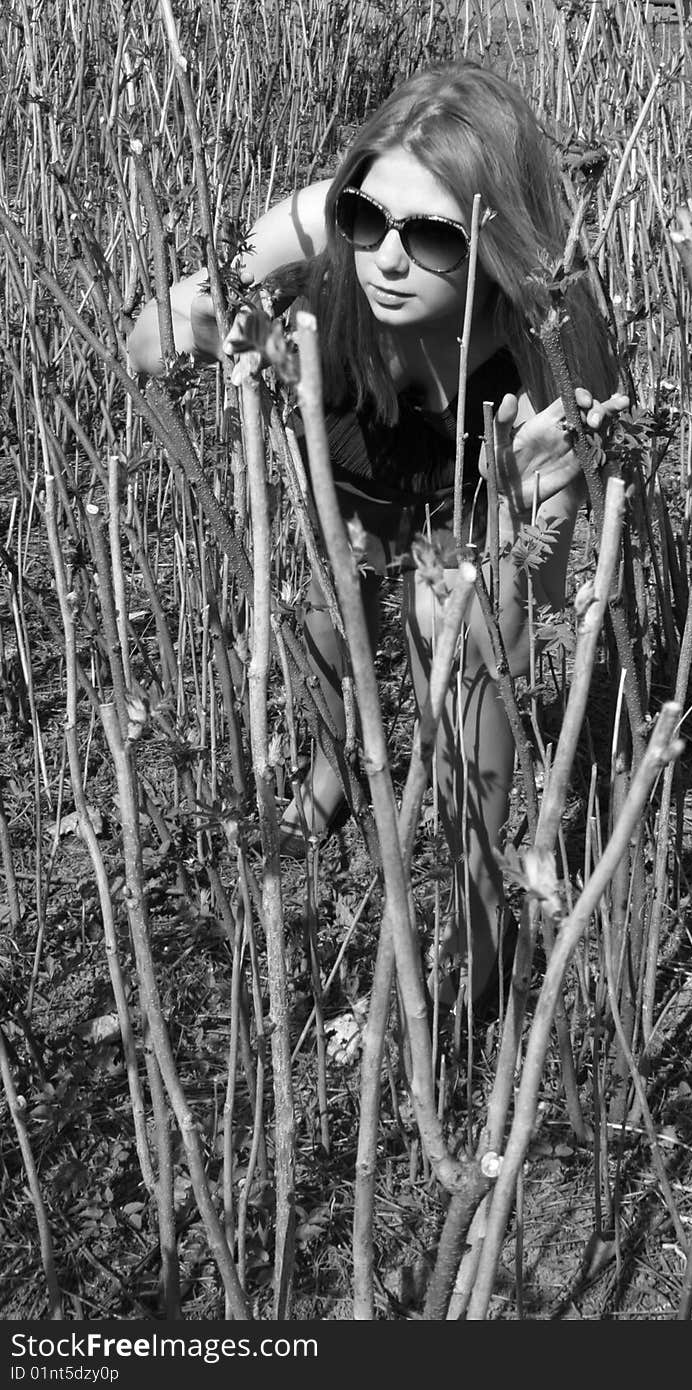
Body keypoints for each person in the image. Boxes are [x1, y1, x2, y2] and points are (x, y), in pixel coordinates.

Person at [127, 60, 628, 1012]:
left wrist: (519, 518)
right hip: (352, 483)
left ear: (494, 239)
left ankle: (469, 962)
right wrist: (234, 307)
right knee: (324, 624)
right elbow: (143, 340)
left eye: (433, 235)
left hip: (474, 505)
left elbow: (557, 586)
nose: (388, 258)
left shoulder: (552, 329)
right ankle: (332, 780)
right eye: (369, 220)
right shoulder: (323, 260)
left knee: (472, 667)